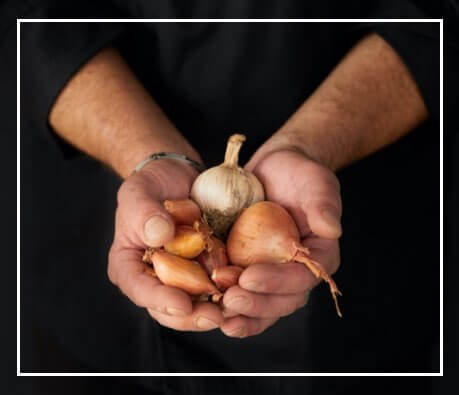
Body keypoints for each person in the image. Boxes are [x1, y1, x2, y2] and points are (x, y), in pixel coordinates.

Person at [11, 1, 451, 394]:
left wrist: (309, 146)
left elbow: (430, 21)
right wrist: (146, 155)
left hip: (365, 256)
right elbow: (36, 22)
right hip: (83, 249)